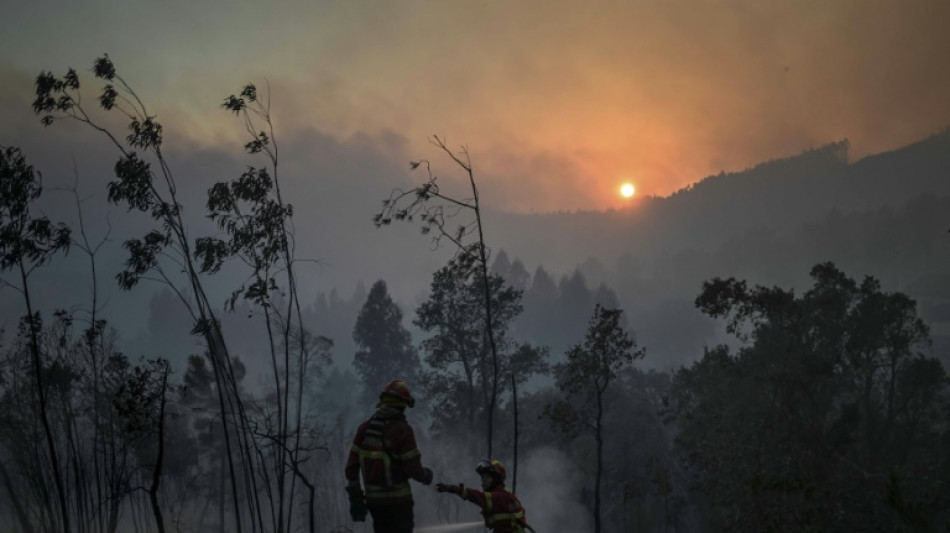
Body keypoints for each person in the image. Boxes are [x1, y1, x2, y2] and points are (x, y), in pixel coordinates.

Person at [345, 379, 433, 533]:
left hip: (374, 504)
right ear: (402, 405)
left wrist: (356, 498)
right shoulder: (402, 430)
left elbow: (351, 468)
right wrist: (426, 476)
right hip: (399, 503)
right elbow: (413, 469)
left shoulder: (365, 428)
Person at [436, 459, 532, 533]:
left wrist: (453, 488)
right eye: (482, 477)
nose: (483, 481)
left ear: (496, 479)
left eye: (487, 477)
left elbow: (476, 496)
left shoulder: (499, 497)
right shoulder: (506, 496)